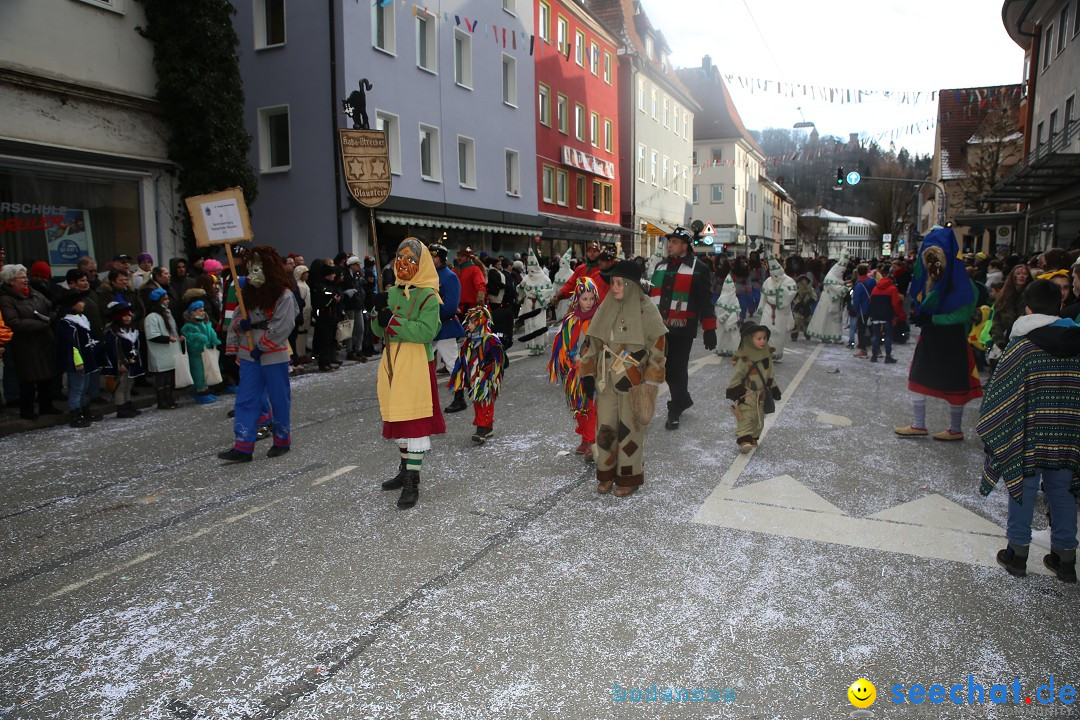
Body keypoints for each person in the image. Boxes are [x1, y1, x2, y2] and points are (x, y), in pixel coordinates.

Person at [977, 279, 1080, 583]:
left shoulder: (1022, 347)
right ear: (1059, 306)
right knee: (1063, 494)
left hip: (1028, 434)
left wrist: (994, 433)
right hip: (1069, 435)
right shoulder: (1077, 345)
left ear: (1028, 309)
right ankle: (1065, 560)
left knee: (1022, 490)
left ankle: (1017, 554)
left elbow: (999, 394)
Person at [579, 260, 667, 497]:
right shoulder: (606, 307)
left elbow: (658, 348)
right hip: (606, 380)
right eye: (612, 283)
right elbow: (592, 344)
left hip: (633, 382)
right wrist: (587, 373)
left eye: (618, 283)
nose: (614, 287)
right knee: (605, 429)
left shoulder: (646, 309)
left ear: (630, 284)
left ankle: (629, 476)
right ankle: (606, 474)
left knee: (630, 430)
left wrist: (651, 382)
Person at [373, 237, 446, 509]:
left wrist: (392, 320)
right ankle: (405, 467)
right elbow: (378, 332)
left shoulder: (428, 295)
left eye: (411, 259)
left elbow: (426, 332)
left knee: (413, 421)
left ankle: (412, 479)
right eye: (399, 257)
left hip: (416, 363)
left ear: (423, 264)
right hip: (392, 360)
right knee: (398, 418)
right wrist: (377, 314)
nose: (403, 264)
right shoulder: (392, 292)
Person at [894, 227, 982, 440]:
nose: (933, 265)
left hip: (952, 340)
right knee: (917, 379)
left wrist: (932, 319)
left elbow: (962, 314)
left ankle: (955, 429)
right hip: (931, 338)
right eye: (929, 258)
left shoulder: (964, 284)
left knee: (955, 385)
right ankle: (919, 424)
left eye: (937, 258)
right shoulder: (927, 281)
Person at [219, 245, 298, 462]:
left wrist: (261, 345)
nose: (253, 276)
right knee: (246, 398)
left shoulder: (284, 294)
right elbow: (235, 319)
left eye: (258, 270)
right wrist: (240, 325)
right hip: (249, 353)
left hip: (273, 353)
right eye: (250, 270)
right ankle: (243, 445)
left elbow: (284, 325)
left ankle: (282, 439)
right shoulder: (248, 294)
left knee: (279, 398)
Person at [648, 227, 717, 430]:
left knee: (677, 369)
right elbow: (650, 298)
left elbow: (706, 301)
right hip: (659, 328)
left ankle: (675, 408)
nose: (670, 245)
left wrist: (709, 328)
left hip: (683, 328)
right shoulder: (660, 267)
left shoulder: (699, 268)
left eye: (675, 242)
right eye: (670, 242)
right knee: (665, 368)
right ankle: (683, 398)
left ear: (685, 246)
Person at [0, 264, 59, 420]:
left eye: (26, 276)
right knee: (28, 379)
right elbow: (13, 322)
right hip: (24, 344)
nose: (26, 279)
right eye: (22, 277)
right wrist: (42, 324)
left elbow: (51, 307)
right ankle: (27, 411)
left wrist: (51, 317)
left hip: (43, 342)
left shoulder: (35, 294)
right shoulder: (6, 299)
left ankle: (46, 406)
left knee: (46, 376)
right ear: (11, 281)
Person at [549, 276, 600, 456]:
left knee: (592, 407)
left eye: (591, 299)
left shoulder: (599, 320)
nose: (588, 302)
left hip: (594, 371)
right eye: (584, 298)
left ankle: (591, 441)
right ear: (577, 298)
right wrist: (566, 362)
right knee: (579, 407)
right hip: (575, 372)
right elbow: (563, 345)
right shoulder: (570, 321)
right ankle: (585, 438)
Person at [450, 305, 506, 444]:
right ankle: (488, 427)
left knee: (485, 401)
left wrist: (490, 369)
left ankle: (481, 429)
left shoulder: (490, 339)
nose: (468, 325)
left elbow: (499, 359)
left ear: (480, 322)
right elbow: (463, 358)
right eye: (468, 322)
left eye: (471, 322)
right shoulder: (469, 340)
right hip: (474, 376)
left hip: (487, 378)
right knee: (478, 402)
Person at [725, 323, 783, 454]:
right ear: (749, 340)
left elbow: (770, 375)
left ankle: (754, 437)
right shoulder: (744, 359)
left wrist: (774, 389)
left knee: (759, 418)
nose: (762, 341)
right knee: (746, 416)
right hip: (747, 393)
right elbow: (736, 377)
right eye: (758, 338)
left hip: (761, 393)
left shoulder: (766, 356)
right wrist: (736, 392)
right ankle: (744, 440)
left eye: (764, 338)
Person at [54, 289, 103, 428]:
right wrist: (77, 362)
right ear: (72, 305)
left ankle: (84, 411)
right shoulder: (67, 323)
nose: (83, 304)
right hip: (77, 362)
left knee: (84, 387)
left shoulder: (82, 319)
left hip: (87, 359)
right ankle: (75, 414)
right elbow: (71, 346)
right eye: (80, 302)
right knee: (77, 388)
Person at [430, 244, 467, 411]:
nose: (431, 260)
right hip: (427, 327)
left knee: (452, 363)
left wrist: (428, 313)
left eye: (434, 257)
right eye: (429, 256)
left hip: (444, 327)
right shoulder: (426, 275)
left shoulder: (449, 277)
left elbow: (450, 306)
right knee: (423, 363)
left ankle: (459, 398)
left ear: (442, 258)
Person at [101, 301, 144, 418]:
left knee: (129, 384)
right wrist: (120, 363)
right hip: (122, 364)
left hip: (132, 362)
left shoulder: (131, 331)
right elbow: (114, 351)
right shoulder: (113, 334)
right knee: (120, 386)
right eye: (124, 316)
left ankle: (128, 403)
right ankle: (121, 407)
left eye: (129, 315)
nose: (127, 318)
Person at [143, 287, 181, 410]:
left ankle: (169, 399)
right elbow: (152, 335)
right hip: (160, 353)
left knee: (169, 378)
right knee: (162, 378)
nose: (167, 301)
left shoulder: (166, 314)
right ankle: (162, 401)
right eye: (164, 299)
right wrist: (168, 339)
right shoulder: (152, 317)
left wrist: (177, 337)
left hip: (169, 352)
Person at [758, 251, 797, 362]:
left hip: (781, 312)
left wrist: (781, 291)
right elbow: (763, 296)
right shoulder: (767, 282)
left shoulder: (789, 282)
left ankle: (777, 352)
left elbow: (791, 294)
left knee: (779, 333)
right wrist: (760, 308)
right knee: (765, 330)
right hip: (768, 309)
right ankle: (765, 352)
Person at [181, 298, 221, 404]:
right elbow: (189, 336)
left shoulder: (206, 323)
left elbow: (211, 331)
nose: (203, 312)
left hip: (206, 350)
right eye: (200, 310)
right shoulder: (189, 325)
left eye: (203, 310)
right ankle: (200, 391)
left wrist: (214, 338)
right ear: (193, 312)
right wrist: (199, 337)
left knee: (206, 370)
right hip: (196, 353)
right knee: (198, 372)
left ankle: (206, 389)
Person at [516, 248, 555, 356]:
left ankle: (540, 346)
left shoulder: (545, 279)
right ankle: (532, 347)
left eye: (533, 271)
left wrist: (537, 293)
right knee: (529, 326)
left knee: (538, 325)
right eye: (530, 270)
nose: (531, 273)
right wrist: (521, 287)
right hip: (528, 305)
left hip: (538, 305)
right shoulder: (527, 278)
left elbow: (549, 290)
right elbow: (519, 290)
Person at [806, 253, 849, 343]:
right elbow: (835, 288)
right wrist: (845, 289)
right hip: (828, 302)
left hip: (833, 302)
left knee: (833, 321)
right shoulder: (831, 278)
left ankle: (834, 336)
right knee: (826, 320)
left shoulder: (836, 277)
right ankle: (825, 335)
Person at [988, 263, 1031, 355]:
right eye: (1018, 274)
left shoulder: (1032, 295)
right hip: (1005, 340)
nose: (1021, 276)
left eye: (1024, 274)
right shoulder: (1004, 296)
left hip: (1025, 340)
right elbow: (996, 322)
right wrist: (999, 341)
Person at [868, 269, 903, 363]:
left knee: (876, 335)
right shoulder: (893, 289)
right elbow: (895, 304)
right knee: (888, 336)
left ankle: (874, 356)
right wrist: (898, 315)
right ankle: (888, 356)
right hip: (887, 315)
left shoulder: (875, 288)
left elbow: (871, 301)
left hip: (875, 315)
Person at [712, 274, 742, 357]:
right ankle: (723, 348)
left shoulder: (726, 298)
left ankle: (732, 349)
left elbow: (737, 309)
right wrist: (728, 315)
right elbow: (719, 309)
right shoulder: (725, 298)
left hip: (730, 320)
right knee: (723, 334)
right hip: (727, 320)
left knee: (729, 335)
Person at [851, 265, 876, 358]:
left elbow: (857, 299)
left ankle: (863, 350)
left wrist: (855, 309)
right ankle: (877, 350)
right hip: (872, 308)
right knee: (872, 329)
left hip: (862, 310)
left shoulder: (859, 284)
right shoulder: (873, 281)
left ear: (858, 272)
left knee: (861, 330)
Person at [455, 246, 487, 313]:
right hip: (456, 308)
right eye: (458, 256)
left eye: (461, 256)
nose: (458, 258)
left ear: (468, 258)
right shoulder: (454, 271)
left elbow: (480, 284)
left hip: (470, 309)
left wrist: (480, 298)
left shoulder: (475, 269)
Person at [790, 274, 818, 341]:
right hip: (797, 306)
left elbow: (814, 296)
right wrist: (797, 302)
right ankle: (794, 335)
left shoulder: (810, 289)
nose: (804, 281)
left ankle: (807, 334)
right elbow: (791, 295)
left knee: (807, 321)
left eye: (805, 280)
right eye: (803, 280)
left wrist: (809, 302)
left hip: (806, 306)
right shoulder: (795, 288)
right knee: (797, 321)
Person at [293, 265, 311, 361]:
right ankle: (299, 354)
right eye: (305, 273)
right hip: (303, 313)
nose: (307, 274)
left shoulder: (304, 284)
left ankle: (302, 352)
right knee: (300, 335)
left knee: (304, 334)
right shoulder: (299, 286)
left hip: (307, 312)